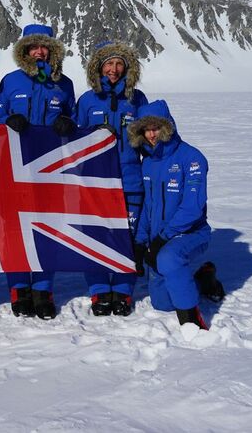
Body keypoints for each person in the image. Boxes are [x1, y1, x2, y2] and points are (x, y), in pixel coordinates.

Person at [0, 24, 76, 319]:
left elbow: (73, 117)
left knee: (47, 227)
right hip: (13, 166)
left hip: (49, 170)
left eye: (44, 47)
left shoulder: (63, 84)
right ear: (25, 51)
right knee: (15, 227)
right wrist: (7, 119)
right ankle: (19, 287)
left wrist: (68, 123)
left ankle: (43, 289)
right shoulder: (10, 81)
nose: (39, 52)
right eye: (33, 47)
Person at [128, 100, 224, 330]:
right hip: (159, 237)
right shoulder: (148, 162)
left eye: (156, 128)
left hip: (191, 233)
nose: (151, 134)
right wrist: (141, 243)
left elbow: (192, 208)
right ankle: (203, 278)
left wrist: (162, 240)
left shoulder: (191, 158)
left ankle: (192, 321)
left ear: (167, 126)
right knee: (162, 303)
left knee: (168, 257)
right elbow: (148, 207)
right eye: (146, 129)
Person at [76, 41, 148, 316]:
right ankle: (99, 291)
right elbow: (74, 141)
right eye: (109, 63)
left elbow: (150, 137)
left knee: (126, 238)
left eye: (119, 64)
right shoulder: (87, 101)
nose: (114, 69)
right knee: (95, 236)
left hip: (130, 181)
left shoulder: (137, 100)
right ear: (99, 67)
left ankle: (122, 291)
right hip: (95, 181)